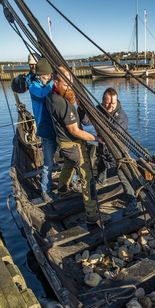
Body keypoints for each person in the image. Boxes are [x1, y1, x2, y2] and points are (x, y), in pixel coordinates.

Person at [46, 67, 100, 223]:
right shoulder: (61, 103)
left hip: (63, 144)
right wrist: (96, 138)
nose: (69, 86)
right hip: (73, 144)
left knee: (69, 164)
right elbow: (75, 130)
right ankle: (92, 214)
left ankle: (62, 189)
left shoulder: (51, 96)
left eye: (70, 82)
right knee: (87, 176)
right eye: (65, 83)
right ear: (55, 82)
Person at [78, 87, 137, 215]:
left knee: (123, 176)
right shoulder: (99, 109)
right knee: (101, 165)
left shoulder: (121, 116)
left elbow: (112, 133)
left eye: (113, 103)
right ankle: (101, 181)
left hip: (117, 151)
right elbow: (86, 121)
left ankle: (132, 201)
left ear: (117, 101)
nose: (110, 106)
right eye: (107, 103)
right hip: (103, 149)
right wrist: (82, 110)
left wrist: (98, 129)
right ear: (102, 101)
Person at [28, 58, 57, 202]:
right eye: (46, 76)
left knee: (70, 156)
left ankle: (73, 181)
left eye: (50, 75)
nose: (49, 78)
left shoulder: (50, 83)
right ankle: (45, 190)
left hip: (59, 127)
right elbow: (43, 93)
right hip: (46, 129)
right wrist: (55, 80)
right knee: (48, 163)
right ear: (40, 75)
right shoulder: (34, 86)